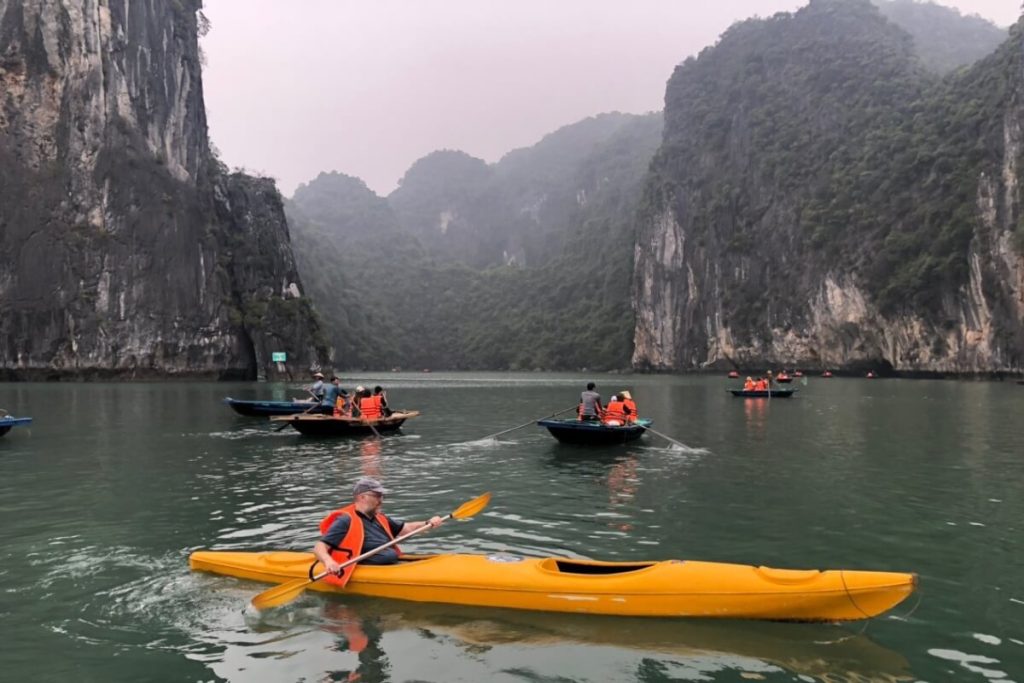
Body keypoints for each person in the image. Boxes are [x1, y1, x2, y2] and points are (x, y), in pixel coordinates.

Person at [313, 477, 444, 587]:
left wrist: (428, 523)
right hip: (362, 570)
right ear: (362, 497)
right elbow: (320, 546)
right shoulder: (345, 520)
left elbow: (406, 528)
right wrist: (329, 562)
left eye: (382, 496)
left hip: (390, 566)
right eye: (377, 496)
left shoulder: (380, 518)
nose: (381, 500)